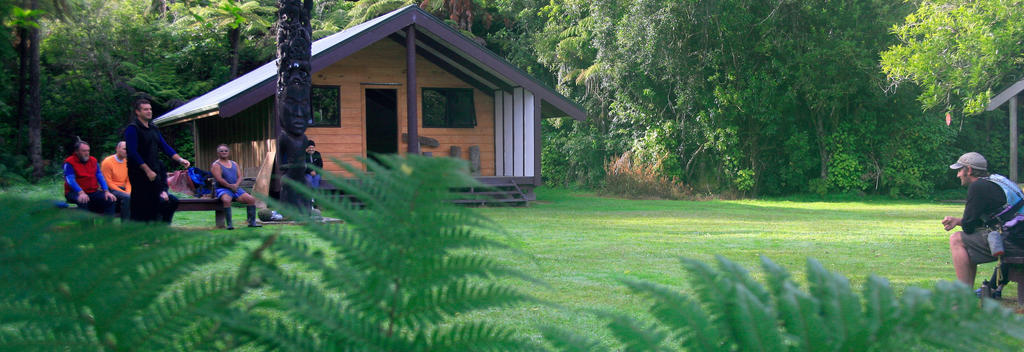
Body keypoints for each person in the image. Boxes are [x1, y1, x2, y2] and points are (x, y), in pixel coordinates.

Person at [942, 152, 1024, 293]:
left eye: (960, 170)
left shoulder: (978, 187)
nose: (958, 175)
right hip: (1019, 235)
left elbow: (968, 227)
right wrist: (957, 221)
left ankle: (963, 295)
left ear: (969, 170)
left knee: (956, 239)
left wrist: (960, 222)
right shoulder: (998, 180)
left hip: (1016, 241)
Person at [124, 98, 190, 223]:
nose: (149, 111)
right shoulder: (133, 129)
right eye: (145, 109)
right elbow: (132, 152)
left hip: (154, 172)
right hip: (139, 173)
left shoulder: (153, 129)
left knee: (154, 204)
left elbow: (165, 146)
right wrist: (147, 170)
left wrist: (180, 159)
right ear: (138, 112)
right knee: (140, 205)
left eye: (150, 109)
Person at [211, 144, 262, 229]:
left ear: (229, 152)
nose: (224, 152)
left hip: (235, 188)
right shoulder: (216, 165)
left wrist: (236, 185)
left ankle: (252, 222)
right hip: (223, 188)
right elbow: (219, 179)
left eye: (226, 151)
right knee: (227, 200)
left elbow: (240, 176)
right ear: (218, 153)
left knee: (251, 199)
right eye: (221, 151)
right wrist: (229, 186)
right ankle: (230, 224)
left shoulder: (234, 163)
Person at [64, 140, 117, 216]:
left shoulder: (93, 160)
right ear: (76, 152)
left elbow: (100, 176)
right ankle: (87, 227)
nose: (87, 153)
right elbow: (70, 179)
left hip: (92, 192)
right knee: (83, 200)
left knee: (110, 199)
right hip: (74, 192)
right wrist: (80, 192)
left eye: (88, 151)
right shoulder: (69, 162)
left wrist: (106, 191)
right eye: (84, 151)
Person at [101, 141, 131, 221]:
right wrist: (125, 193)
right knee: (128, 197)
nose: (127, 151)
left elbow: (128, 181)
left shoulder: (127, 162)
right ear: (117, 149)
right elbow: (108, 182)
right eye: (124, 149)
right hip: (111, 189)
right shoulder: (108, 162)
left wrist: (128, 191)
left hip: (123, 189)